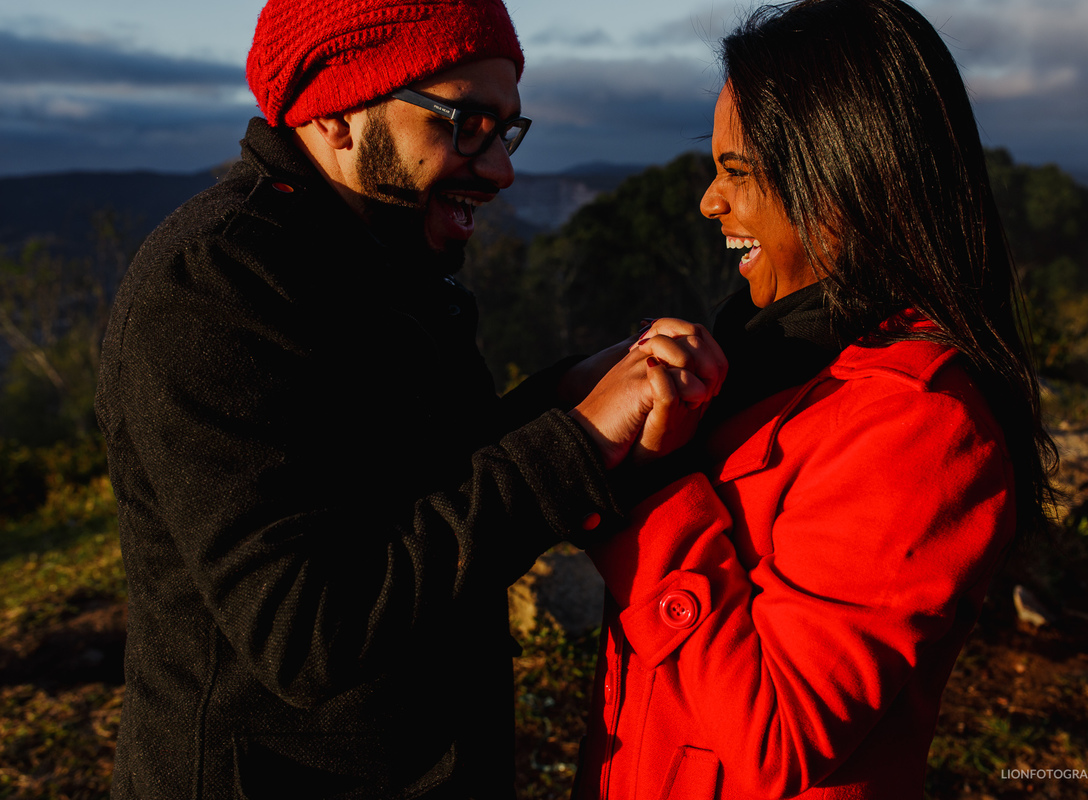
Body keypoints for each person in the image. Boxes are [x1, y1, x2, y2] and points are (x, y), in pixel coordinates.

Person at [94, 1, 726, 798]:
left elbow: (419, 493)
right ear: (336, 117)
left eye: (504, 130)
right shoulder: (214, 289)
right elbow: (307, 627)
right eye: (464, 122)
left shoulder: (388, 259)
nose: (499, 170)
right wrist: (575, 443)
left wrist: (563, 398)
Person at [574, 1, 1057, 797]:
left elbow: (776, 738)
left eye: (737, 171)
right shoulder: (773, 357)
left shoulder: (922, 428)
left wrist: (654, 482)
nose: (708, 201)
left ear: (846, 178)